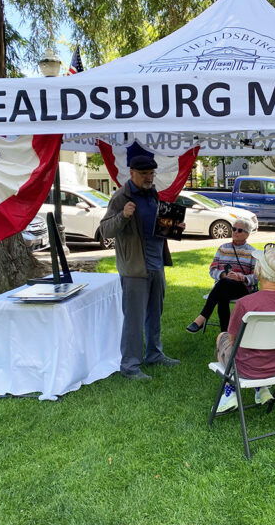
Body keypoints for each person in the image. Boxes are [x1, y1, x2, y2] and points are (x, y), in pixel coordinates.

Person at [99, 154, 181, 381]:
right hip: (134, 268)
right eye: (144, 174)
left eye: (151, 174)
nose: (149, 178)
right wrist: (123, 215)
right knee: (134, 319)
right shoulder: (120, 197)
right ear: (131, 173)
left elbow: (154, 225)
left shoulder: (152, 194)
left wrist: (174, 226)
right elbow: (105, 230)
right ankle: (130, 365)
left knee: (155, 314)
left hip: (156, 265)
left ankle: (154, 354)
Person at [215, 244, 275, 412]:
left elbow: (233, 341)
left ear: (259, 271)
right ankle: (261, 389)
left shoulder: (245, 303)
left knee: (222, 337)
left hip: (249, 368)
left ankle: (230, 393)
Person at [185, 218, 257, 333]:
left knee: (222, 286)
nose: (235, 232)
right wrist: (223, 274)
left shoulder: (252, 252)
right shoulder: (223, 248)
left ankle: (202, 318)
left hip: (242, 288)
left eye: (239, 230)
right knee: (223, 292)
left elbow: (257, 277)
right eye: (233, 229)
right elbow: (212, 269)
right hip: (223, 286)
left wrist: (241, 277)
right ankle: (226, 333)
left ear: (247, 234)